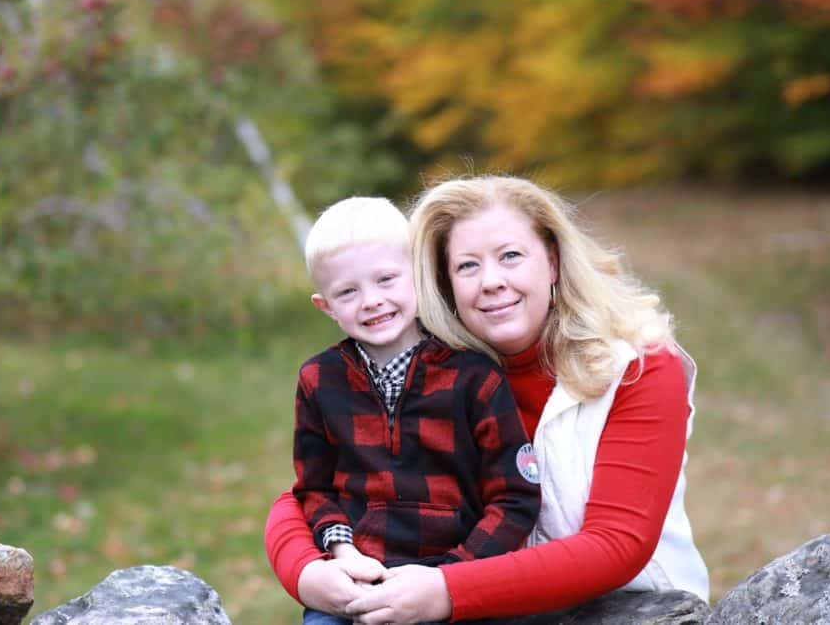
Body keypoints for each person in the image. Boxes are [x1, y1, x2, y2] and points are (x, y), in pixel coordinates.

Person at [265, 177, 709, 623]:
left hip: (629, 607)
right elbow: (316, 489)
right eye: (467, 266)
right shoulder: (445, 373)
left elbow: (617, 544)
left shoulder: (637, 366)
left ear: (552, 262)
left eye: (511, 256)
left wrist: (447, 587)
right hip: (487, 607)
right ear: (440, 282)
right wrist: (308, 574)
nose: (492, 281)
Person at [291, 196, 542, 624]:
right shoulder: (320, 379)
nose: (371, 300)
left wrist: (453, 576)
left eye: (386, 279)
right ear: (326, 305)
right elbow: (314, 488)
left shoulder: (473, 375)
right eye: (348, 291)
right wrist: (342, 553)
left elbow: (515, 497)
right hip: (362, 581)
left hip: (457, 586)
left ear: (420, 276)